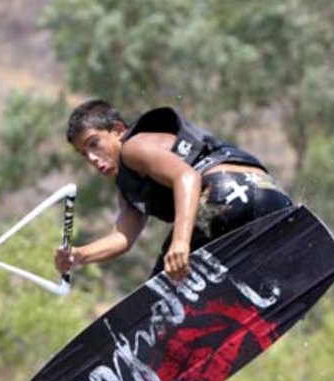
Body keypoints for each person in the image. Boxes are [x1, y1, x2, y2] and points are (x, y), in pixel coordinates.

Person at [55, 100, 293, 283]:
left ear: (118, 130)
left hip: (223, 193)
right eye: (83, 154)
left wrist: (180, 242)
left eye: (94, 143)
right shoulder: (128, 187)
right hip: (268, 193)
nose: (92, 158)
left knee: (158, 301)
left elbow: (187, 177)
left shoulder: (132, 148)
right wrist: (79, 255)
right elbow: (123, 238)